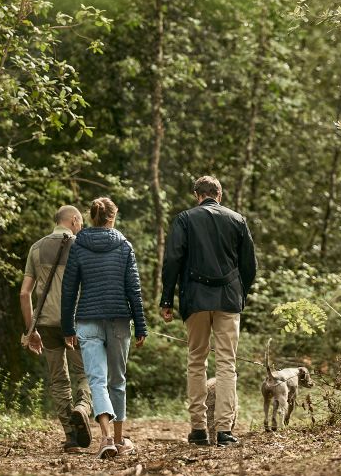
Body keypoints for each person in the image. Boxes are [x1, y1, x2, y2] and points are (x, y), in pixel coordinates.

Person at [160, 176, 256, 447]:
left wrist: (167, 300)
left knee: (196, 361)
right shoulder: (237, 220)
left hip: (195, 299)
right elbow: (249, 265)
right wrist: (240, 293)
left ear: (197, 195)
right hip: (228, 299)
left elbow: (172, 260)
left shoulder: (184, 219)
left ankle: (199, 429)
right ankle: (224, 430)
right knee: (227, 363)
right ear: (219, 195)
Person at [61, 197, 148, 459]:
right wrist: (141, 325)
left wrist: (67, 327)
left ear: (92, 217)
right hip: (119, 319)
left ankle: (106, 438)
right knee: (117, 381)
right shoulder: (124, 246)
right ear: (113, 217)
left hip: (87, 320)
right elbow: (133, 290)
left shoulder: (78, 246)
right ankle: (119, 440)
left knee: (97, 380)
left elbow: (69, 289)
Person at [19, 205, 93, 453]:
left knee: (59, 378)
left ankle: (71, 436)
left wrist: (31, 329)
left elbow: (24, 294)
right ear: (74, 220)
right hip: (76, 322)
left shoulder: (36, 248)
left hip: (46, 323)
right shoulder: (81, 246)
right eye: (80, 223)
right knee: (86, 373)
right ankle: (82, 408)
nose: (81, 227)